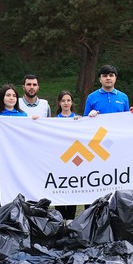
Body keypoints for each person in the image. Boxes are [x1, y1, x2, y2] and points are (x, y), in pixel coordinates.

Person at [0, 84, 30, 210]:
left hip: (16, 158)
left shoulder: (23, 115)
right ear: (2, 98)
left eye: (14, 96)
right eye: (8, 95)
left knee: (16, 188)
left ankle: (15, 215)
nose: (11, 98)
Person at [54, 90, 80, 220]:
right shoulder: (53, 121)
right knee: (60, 189)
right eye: (63, 100)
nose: (66, 103)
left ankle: (70, 221)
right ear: (59, 103)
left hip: (74, 162)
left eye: (68, 100)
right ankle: (59, 222)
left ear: (72, 102)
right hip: (60, 161)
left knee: (72, 191)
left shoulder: (78, 119)